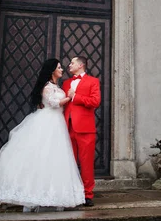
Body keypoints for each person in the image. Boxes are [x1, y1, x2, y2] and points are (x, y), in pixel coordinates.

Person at [0, 59, 85, 211]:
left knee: (54, 158)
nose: (62, 69)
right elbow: (54, 103)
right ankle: (31, 193)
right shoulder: (47, 87)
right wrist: (70, 97)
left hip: (56, 123)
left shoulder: (55, 86)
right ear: (52, 70)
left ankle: (52, 192)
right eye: (59, 67)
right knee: (40, 155)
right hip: (47, 122)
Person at [62, 56, 101, 207]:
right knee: (68, 162)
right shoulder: (65, 83)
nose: (69, 65)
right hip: (67, 127)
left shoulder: (93, 81)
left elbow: (95, 101)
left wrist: (76, 96)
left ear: (81, 65)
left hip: (85, 128)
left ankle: (87, 195)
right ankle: (69, 192)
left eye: (72, 63)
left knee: (86, 163)